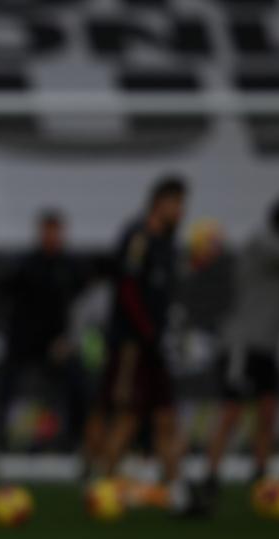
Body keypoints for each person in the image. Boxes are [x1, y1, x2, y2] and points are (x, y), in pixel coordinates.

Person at [82, 176, 189, 509]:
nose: (181, 211)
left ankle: (177, 492)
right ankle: (101, 487)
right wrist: (145, 331)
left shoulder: (168, 243)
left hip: (154, 346)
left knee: (166, 417)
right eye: (177, 204)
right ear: (160, 203)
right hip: (133, 345)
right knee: (127, 416)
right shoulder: (138, 236)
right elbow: (127, 289)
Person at [202, 195, 279, 509]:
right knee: (232, 411)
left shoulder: (276, 246)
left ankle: (260, 474)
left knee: (268, 411)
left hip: (267, 344)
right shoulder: (261, 242)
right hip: (243, 342)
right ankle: (211, 474)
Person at [0, 210, 89, 463]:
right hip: (22, 341)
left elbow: (81, 304)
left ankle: (74, 439)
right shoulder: (25, 265)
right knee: (5, 385)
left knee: (78, 382)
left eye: (56, 232)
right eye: (47, 231)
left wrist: (68, 339)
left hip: (54, 344)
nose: (52, 237)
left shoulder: (70, 267)